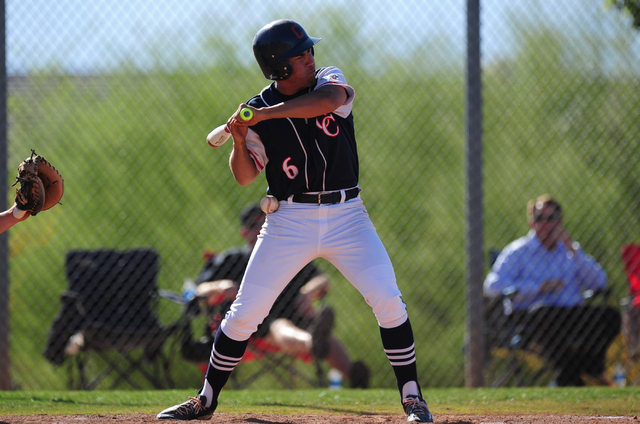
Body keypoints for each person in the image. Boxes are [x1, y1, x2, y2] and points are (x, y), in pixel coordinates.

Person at [158, 19, 433, 423]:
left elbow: (326, 101)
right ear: (279, 67)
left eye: (308, 50)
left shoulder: (327, 81)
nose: (310, 57)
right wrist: (239, 138)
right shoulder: (258, 111)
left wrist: (264, 115)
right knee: (244, 313)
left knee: (388, 300)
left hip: (347, 216)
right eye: (299, 54)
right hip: (289, 219)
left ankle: (412, 399)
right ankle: (205, 400)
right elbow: (245, 176)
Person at [181, 204, 371, 388]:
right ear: (244, 233)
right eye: (254, 225)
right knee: (280, 326)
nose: (260, 228)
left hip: (294, 315)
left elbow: (322, 279)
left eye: (265, 222)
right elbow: (197, 290)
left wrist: (308, 292)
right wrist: (220, 286)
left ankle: (353, 375)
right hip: (253, 326)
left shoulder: (290, 256)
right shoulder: (233, 260)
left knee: (318, 333)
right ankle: (313, 343)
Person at [484, 194, 621, 386]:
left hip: (571, 314)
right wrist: (538, 287)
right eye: (540, 219)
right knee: (545, 315)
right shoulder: (518, 251)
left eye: (551, 219)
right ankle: (573, 376)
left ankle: (578, 370)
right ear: (532, 223)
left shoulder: (569, 251)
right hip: (531, 317)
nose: (546, 224)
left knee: (610, 316)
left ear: (560, 222)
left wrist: (573, 251)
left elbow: (599, 283)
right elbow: (491, 285)